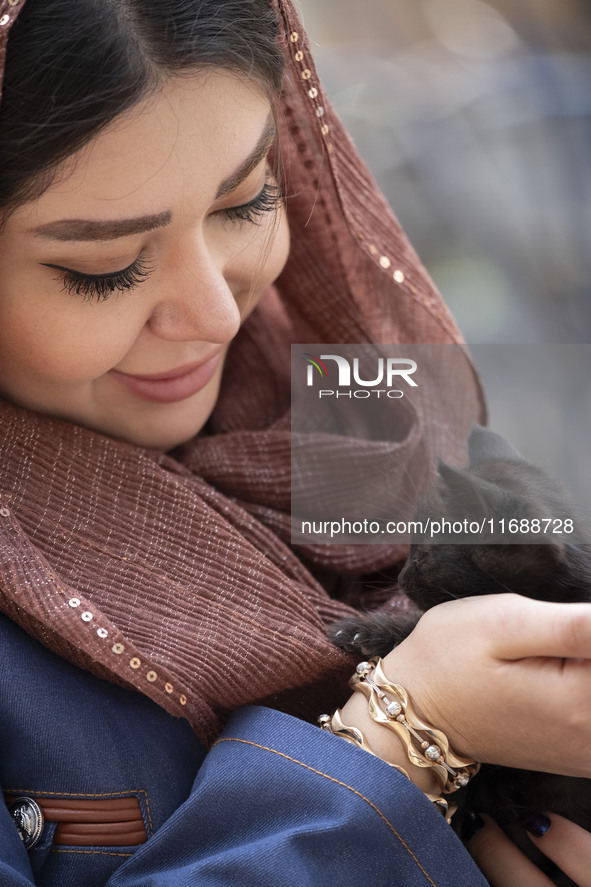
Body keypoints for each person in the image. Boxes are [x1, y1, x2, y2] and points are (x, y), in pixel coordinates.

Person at [0, 1, 590, 885]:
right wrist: (406, 734)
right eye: (103, 267)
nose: (212, 316)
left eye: (246, 201)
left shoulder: (356, 407)